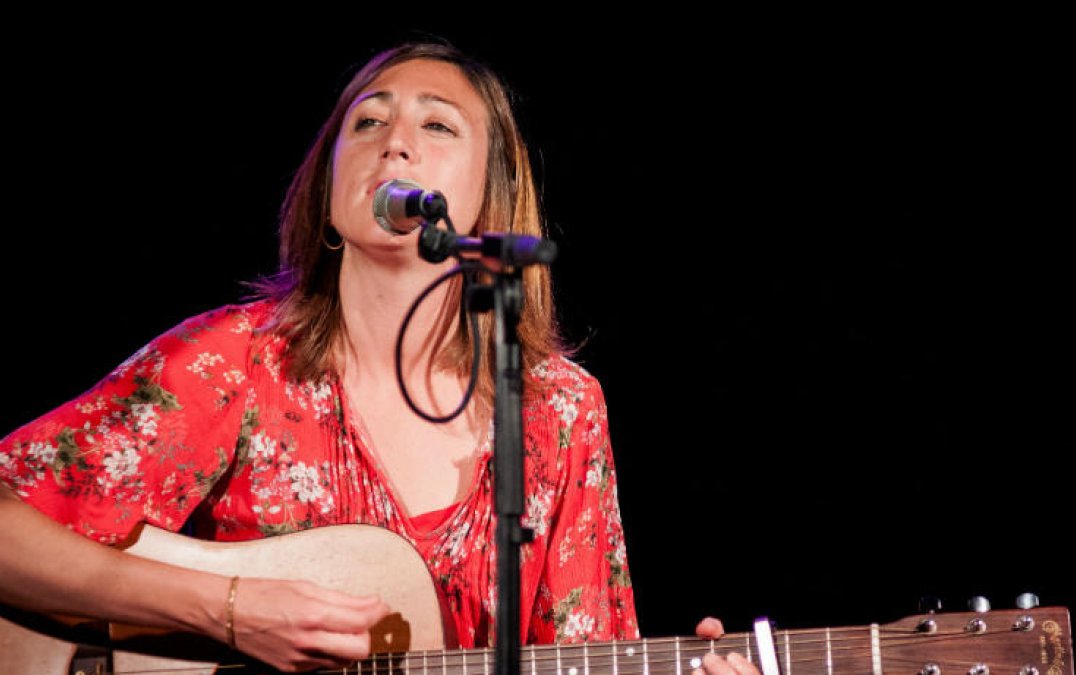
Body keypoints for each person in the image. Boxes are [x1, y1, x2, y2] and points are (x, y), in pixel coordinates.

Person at [0, 36, 763, 675]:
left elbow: (586, 650)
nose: (395, 140)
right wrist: (225, 610)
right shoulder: (237, 361)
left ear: (491, 200)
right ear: (328, 194)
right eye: (366, 122)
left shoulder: (559, 410)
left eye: (438, 127)